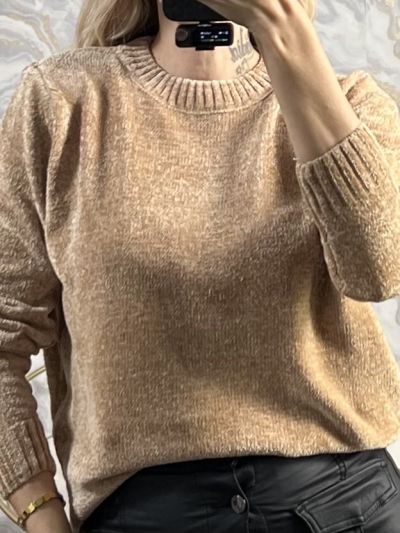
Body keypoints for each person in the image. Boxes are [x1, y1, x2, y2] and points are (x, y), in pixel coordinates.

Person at [1, 0, 400, 532]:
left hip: (342, 499)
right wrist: (40, 512)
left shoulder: (350, 103)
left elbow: (378, 270)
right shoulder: (63, 101)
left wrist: (283, 33)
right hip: (147, 512)